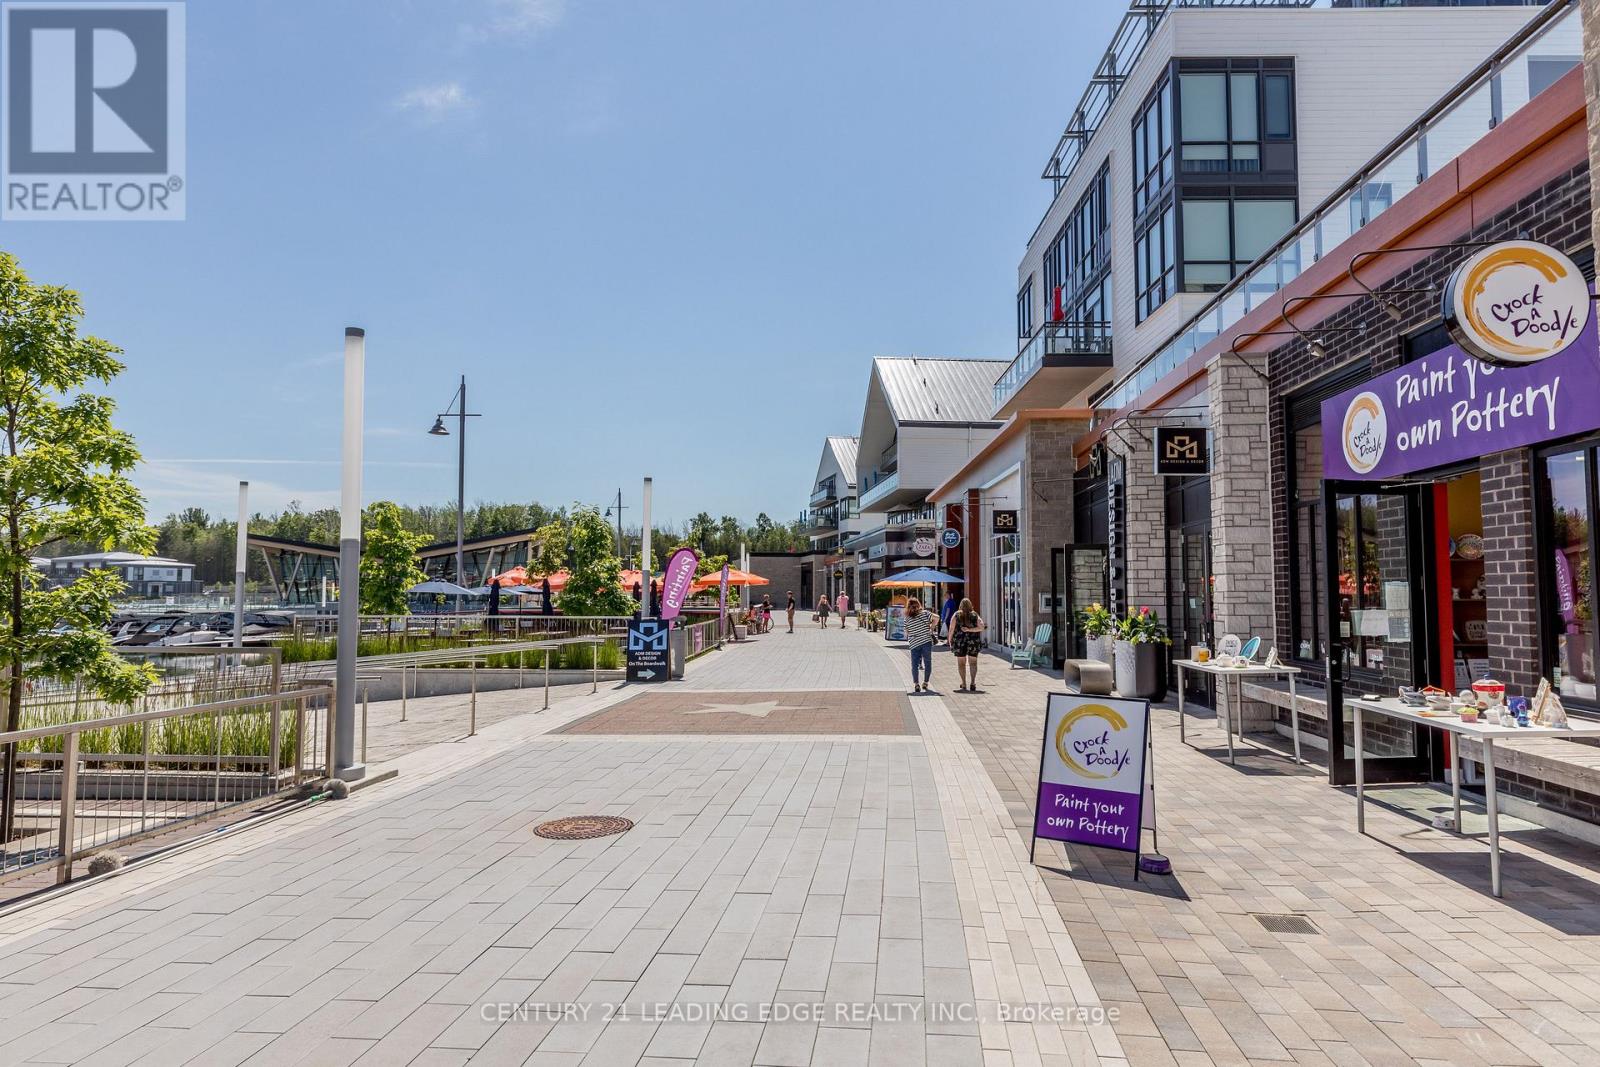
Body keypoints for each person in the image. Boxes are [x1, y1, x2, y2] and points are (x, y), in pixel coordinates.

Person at [950, 597, 987, 692]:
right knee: (973, 663)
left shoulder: (956, 615)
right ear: (970, 605)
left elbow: (951, 629)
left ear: (960, 605)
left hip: (959, 642)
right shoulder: (975, 615)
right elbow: (982, 627)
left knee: (961, 664)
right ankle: (973, 682)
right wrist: (970, 630)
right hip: (973, 642)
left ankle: (963, 683)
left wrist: (950, 640)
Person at [905, 597, 934, 693]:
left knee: (914, 665)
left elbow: (907, 633)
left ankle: (916, 684)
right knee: (927, 662)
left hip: (914, 644)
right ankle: (925, 682)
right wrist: (931, 628)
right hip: (926, 641)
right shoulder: (925, 613)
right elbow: (937, 618)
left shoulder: (907, 618)